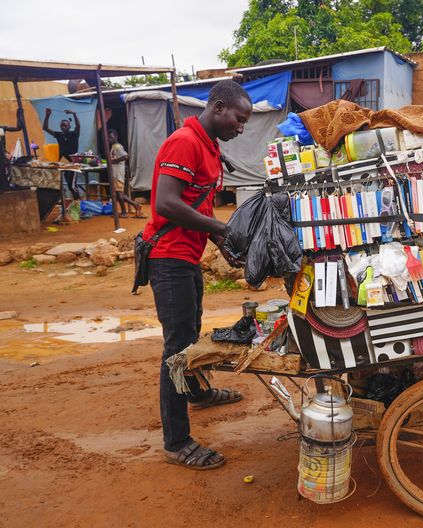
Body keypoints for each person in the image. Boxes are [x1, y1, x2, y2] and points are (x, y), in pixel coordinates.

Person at [141, 79, 252, 470]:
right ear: (218, 107)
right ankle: (176, 441)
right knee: (177, 349)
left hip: (187, 256)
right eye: (239, 119)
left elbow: (198, 203)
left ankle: (198, 394)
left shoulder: (208, 146)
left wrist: (222, 244)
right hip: (168, 258)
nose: (241, 127)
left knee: (192, 333)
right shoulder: (184, 142)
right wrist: (221, 230)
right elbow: (167, 203)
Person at [43, 108, 81, 198]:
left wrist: (74, 114)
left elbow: (78, 126)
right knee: (69, 185)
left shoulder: (74, 134)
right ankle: (75, 203)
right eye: (62, 125)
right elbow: (45, 128)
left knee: (72, 186)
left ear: (69, 126)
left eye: (65, 125)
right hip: (64, 164)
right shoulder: (59, 135)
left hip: (73, 164)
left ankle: (78, 202)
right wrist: (47, 116)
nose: (63, 127)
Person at [108, 129, 144, 218]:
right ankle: (124, 211)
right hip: (115, 173)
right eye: (108, 137)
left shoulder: (117, 147)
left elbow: (125, 156)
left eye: (111, 137)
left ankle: (135, 205)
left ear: (116, 137)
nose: (109, 139)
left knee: (119, 194)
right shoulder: (114, 146)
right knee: (118, 194)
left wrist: (113, 161)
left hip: (118, 173)